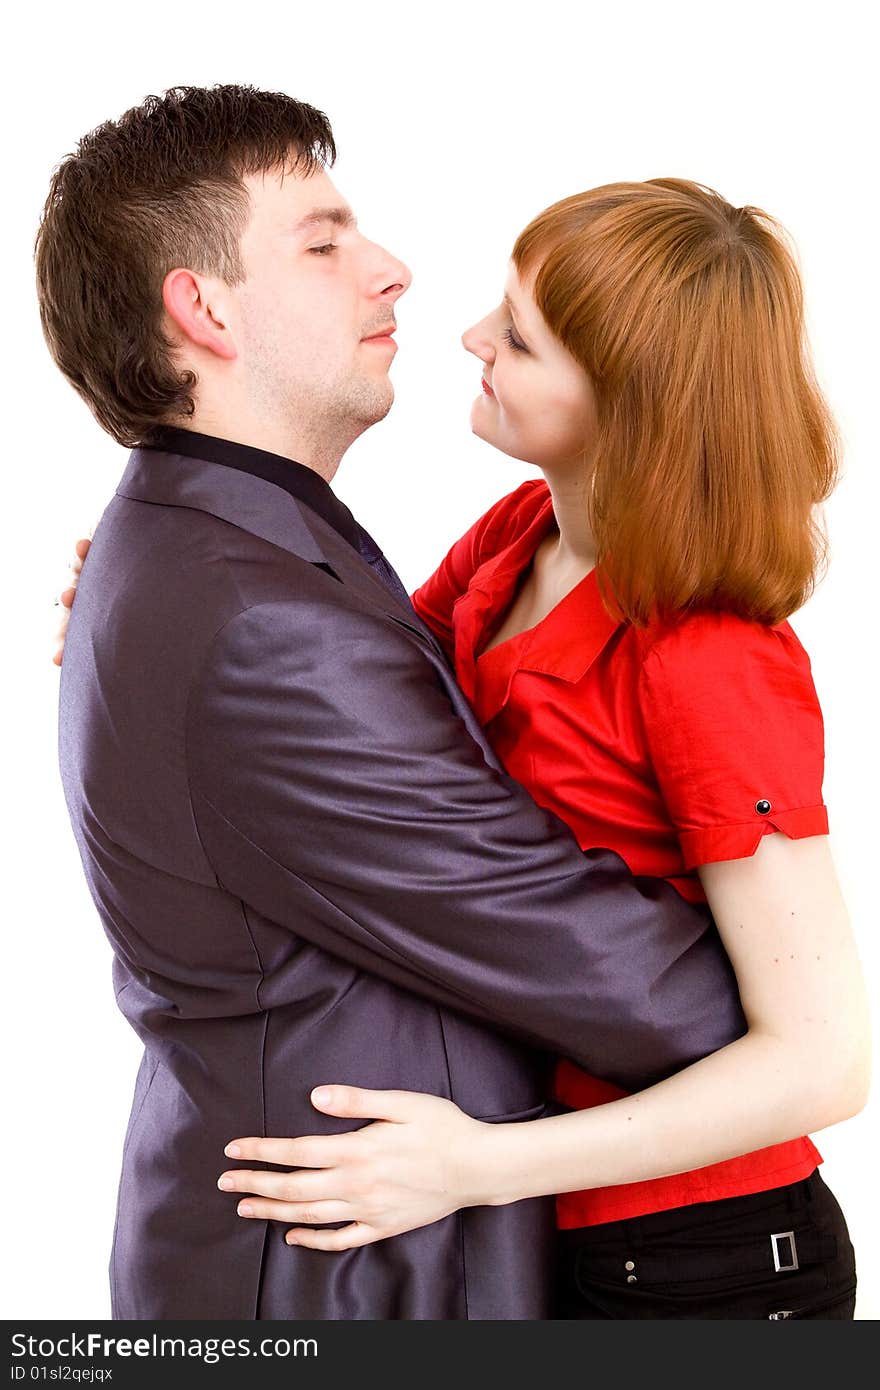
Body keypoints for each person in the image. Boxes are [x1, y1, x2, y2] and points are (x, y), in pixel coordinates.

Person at [40, 88, 747, 1321]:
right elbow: (656, 999)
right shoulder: (254, 617)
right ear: (202, 311)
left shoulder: (213, 549)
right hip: (340, 1282)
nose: (395, 272)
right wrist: (790, 989)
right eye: (322, 242)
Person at [194, 181, 871, 1319]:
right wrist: (172, 602)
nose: (469, 340)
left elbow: (822, 1060)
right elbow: (351, 699)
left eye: (519, 338)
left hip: (706, 1255)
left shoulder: (705, 659)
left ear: (630, 406)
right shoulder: (521, 535)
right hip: (546, 1221)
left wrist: (470, 1165)